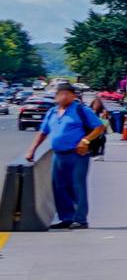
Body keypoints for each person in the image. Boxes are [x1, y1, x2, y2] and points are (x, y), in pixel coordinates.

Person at [23, 81, 107, 230]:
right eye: (60, 94)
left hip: (77, 155)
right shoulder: (52, 112)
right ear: (56, 96)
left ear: (73, 96)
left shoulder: (80, 110)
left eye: (67, 94)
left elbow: (99, 127)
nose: (63, 97)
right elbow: (43, 132)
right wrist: (32, 149)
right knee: (59, 186)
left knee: (77, 186)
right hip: (58, 155)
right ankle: (66, 217)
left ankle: (80, 219)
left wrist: (85, 140)